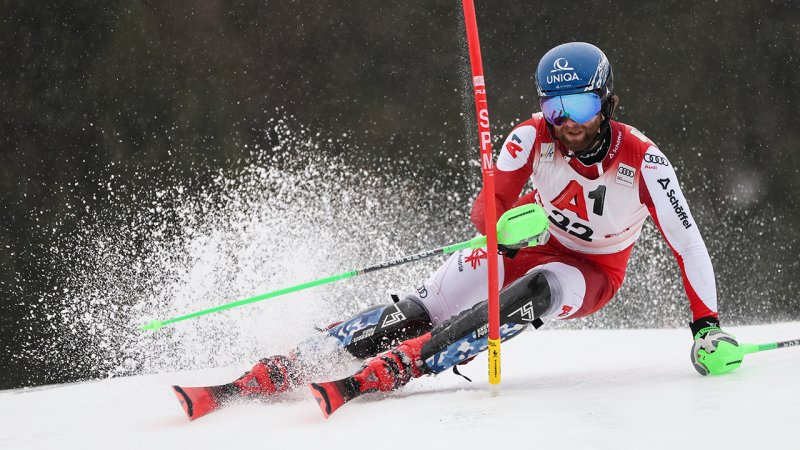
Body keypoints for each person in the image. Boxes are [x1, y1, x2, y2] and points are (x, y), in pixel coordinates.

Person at [172, 42, 740, 420]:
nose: (567, 120)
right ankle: (288, 365)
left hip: (590, 270)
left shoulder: (643, 161)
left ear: (607, 100)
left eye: (581, 102)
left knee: (541, 285)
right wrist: (496, 224)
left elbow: (686, 241)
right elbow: (487, 206)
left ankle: (408, 363)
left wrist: (705, 327)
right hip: (523, 241)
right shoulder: (531, 135)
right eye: (554, 104)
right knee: (426, 304)